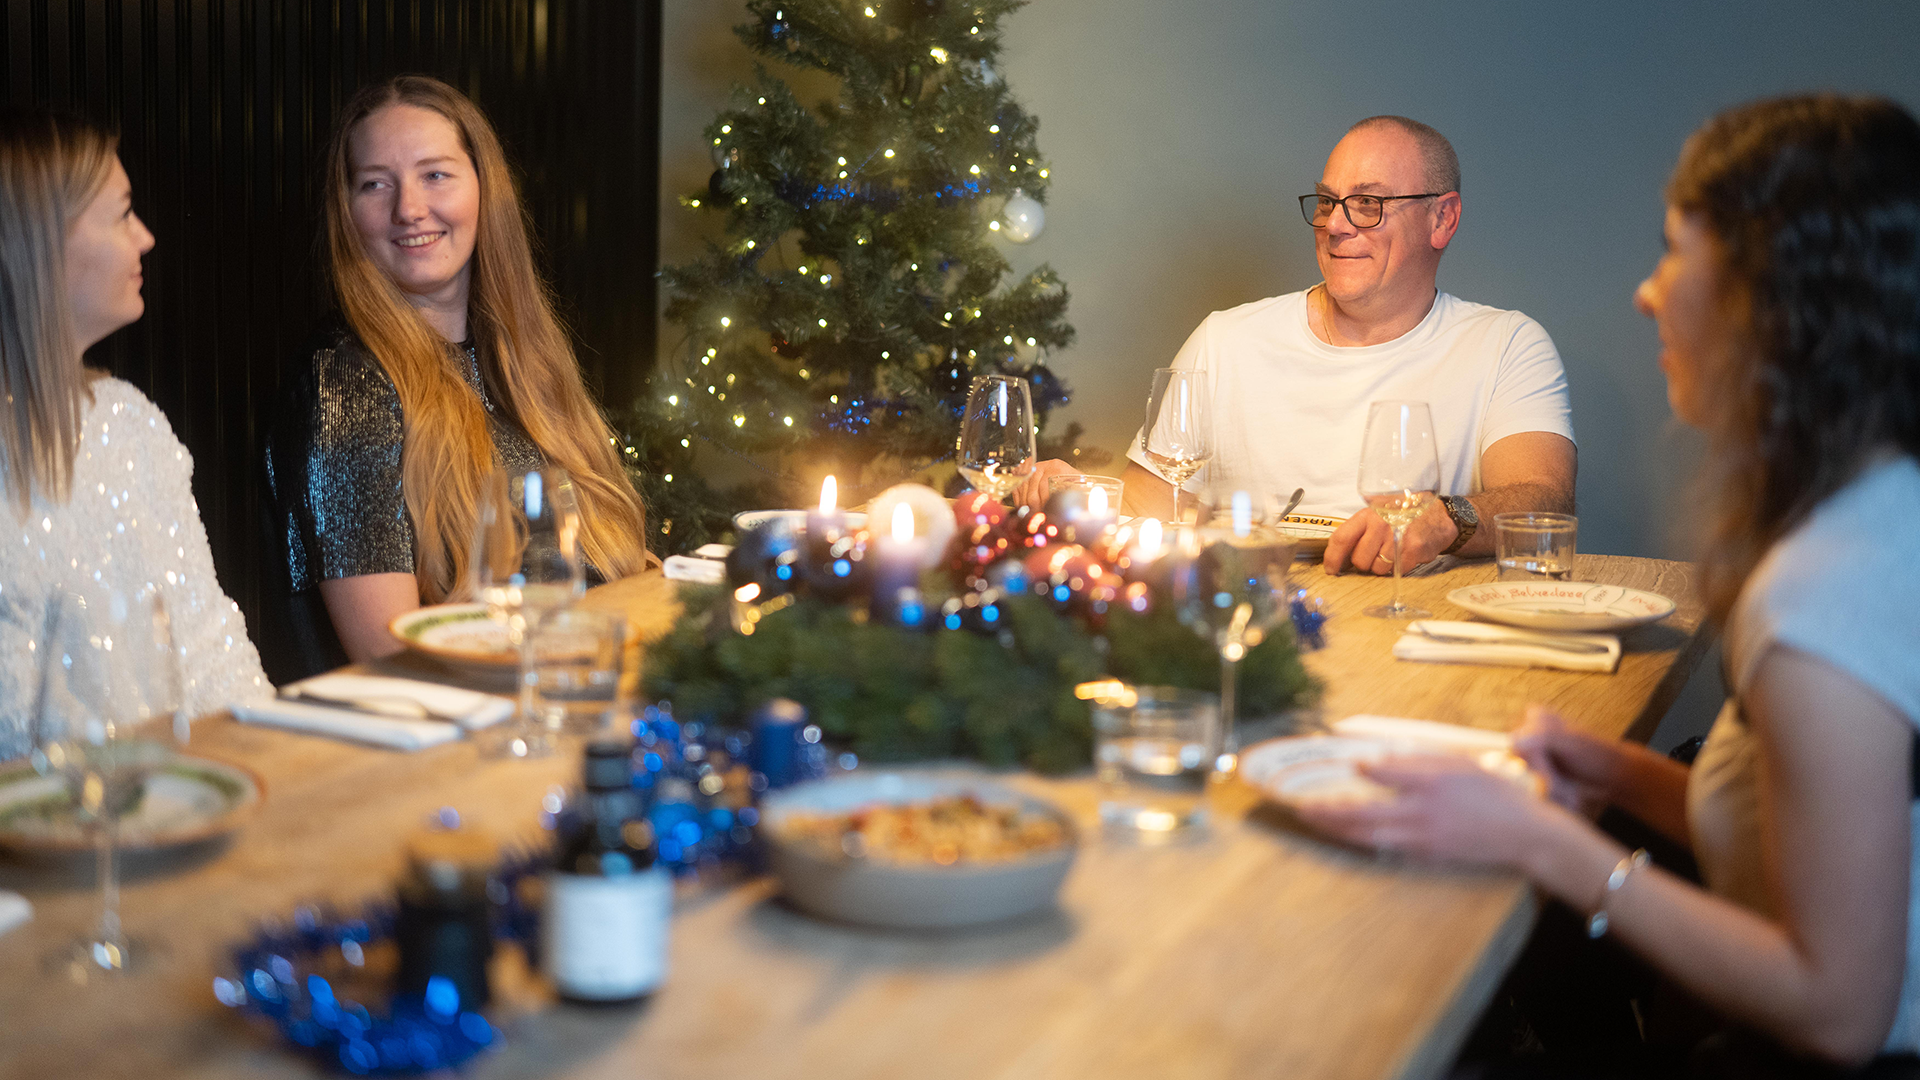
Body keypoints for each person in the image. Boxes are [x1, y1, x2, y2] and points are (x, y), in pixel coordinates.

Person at [1300, 95, 1920, 1072]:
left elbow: (1839, 1010)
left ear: (1779, 290)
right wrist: (1613, 769)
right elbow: (1794, 828)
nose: (1645, 293)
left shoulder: (1825, 593)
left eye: (1677, 253)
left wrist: (1548, 847)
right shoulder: (1880, 508)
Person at [1017, 115, 1576, 576]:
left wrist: (1445, 518)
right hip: (1255, 619)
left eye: (1368, 204)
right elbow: (1153, 507)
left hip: (1419, 629)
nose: (1335, 226)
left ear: (1442, 219)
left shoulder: (1506, 344)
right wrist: (1080, 492)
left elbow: (1544, 500)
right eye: (1329, 202)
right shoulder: (1225, 339)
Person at [270, 76, 648, 667]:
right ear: (347, 212)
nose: (409, 209)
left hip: (586, 694)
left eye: (435, 174)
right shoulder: (343, 384)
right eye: (375, 184)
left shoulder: (521, 356)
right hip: (473, 736)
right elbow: (391, 657)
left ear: (483, 188)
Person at [0, 109, 267, 759]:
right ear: (39, 241)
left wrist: (277, 771)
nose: (146, 237)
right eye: (121, 214)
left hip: (166, 806)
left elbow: (206, 643)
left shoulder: (126, 423)